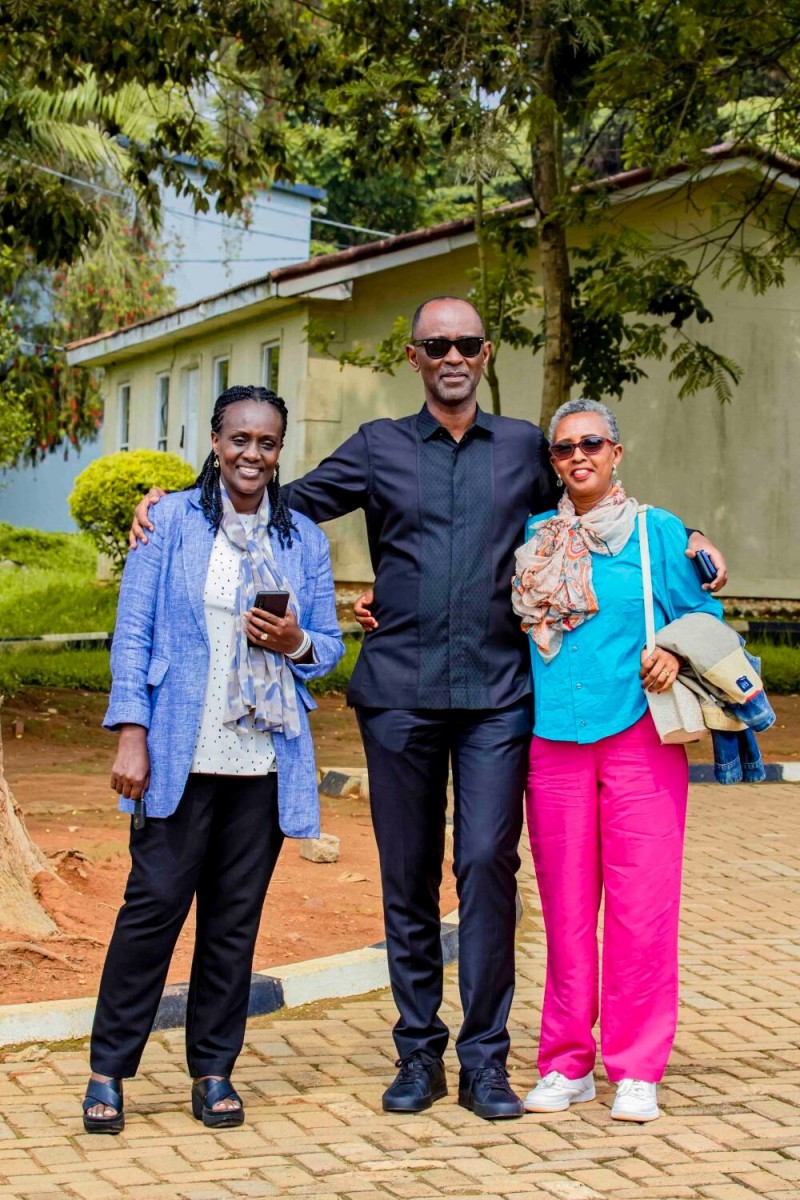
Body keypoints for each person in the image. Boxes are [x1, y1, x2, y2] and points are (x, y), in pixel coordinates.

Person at [130, 298, 727, 1122]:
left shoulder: (522, 446)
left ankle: (486, 1061)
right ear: (414, 357)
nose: (453, 355)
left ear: (484, 354)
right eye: (437, 344)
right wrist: (174, 502)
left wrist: (690, 538)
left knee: (485, 865)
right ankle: (418, 1053)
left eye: (467, 343)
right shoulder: (378, 446)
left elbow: (587, 504)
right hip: (399, 696)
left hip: (497, 699)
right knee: (408, 879)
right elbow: (280, 498)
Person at [82, 385, 343, 1134]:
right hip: (179, 751)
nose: (251, 454)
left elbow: (327, 648)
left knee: (233, 923)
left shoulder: (303, 540)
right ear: (215, 441)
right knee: (152, 911)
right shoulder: (168, 522)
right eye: (240, 439)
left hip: (262, 763)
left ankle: (213, 1070)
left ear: (279, 451)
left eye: (267, 443)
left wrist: (294, 641)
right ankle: (108, 1070)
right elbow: (134, 634)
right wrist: (130, 731)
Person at [513, 397, 724, 1124]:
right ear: (553, 461)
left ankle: (636, 1068)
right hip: (554, 742)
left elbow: (704, 616)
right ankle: (566, 1062)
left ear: (616, 453)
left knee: (642, 910)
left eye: (592, 444)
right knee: (566, 912)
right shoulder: (534, 537)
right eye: (565, 447)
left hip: (640, 742)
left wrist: (674, 652)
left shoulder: (656, 531)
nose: (579, 456)